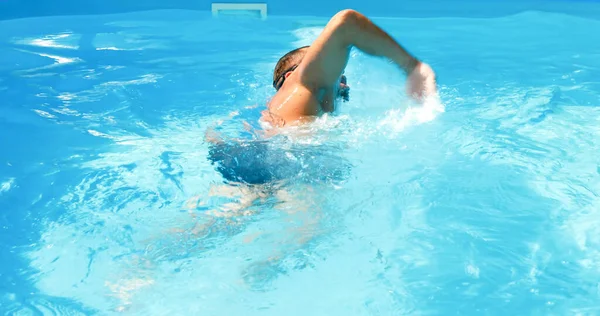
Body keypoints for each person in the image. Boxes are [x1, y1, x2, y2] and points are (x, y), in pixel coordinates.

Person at [261, 9, 437, 128]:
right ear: (291, 76)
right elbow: (347, 22)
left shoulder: (282, 113)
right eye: (338, 74)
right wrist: (413, 67)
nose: (343, 82)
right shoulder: (301, 86)